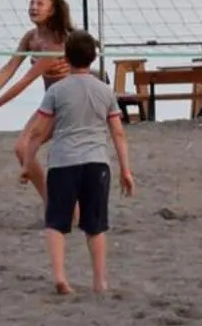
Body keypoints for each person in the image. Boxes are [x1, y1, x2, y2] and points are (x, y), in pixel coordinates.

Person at [17, 30, 134, 296]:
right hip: (96, 163)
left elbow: (37, 132)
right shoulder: (105, 91)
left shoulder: (57, 90)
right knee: (95, 226)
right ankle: (99, 281)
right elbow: (118, 132)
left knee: (56, 223)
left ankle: (60, 277)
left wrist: (27, 162)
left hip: (63, 163)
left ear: (66, 57)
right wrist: (125, 170)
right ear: (93, 58)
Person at [0, 0, 72, 197]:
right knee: (23, 149)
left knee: (30, 149)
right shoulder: (31, 37)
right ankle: (51, 202)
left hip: (70, 103)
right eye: (31, 3)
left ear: (53, 10)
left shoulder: (57, 41)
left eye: (40, 4)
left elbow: (26, 79)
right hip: (51, 102)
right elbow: (10, 67)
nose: (33, 7)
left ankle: (57, 207)